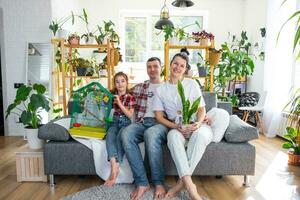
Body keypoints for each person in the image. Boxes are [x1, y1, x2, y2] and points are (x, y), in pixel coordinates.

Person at [153, 52, 212, 200]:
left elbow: (201, 109)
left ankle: (182, 184)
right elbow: (159, 117)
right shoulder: (161, 89)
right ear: (170, 64)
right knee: (172, 136)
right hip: (177, 126)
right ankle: (190, 185)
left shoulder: (192, 84)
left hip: (195, 125)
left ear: (185, 69)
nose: (178, 67)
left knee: (199, 136)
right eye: (175, 63)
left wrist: (198, 123)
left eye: (182, 66)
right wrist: (175, 126)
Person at [121, 57, 168, 200]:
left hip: (160, 124)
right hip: (142, 122)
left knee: (151, 134)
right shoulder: (141, 87)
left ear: (161, 68)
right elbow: (123, 92)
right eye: (149, 67)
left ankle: (158, 183)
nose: (152, 69)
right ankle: (142, 183)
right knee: (126, 133)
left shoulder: (168, 87)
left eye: (155, 66)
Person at [104, 72, 136, 186]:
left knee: (120, 138)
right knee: (110, 136)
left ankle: (115, 168)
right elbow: (106, 109)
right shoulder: (111, 96)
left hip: (125, 123)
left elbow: (130, 115)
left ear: (127, 83)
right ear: (114, 84)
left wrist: (120, 103)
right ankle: (114, 165)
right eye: (117, 81)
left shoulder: (130, 97)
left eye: (122, 81)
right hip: (114, 122)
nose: (120, 84)